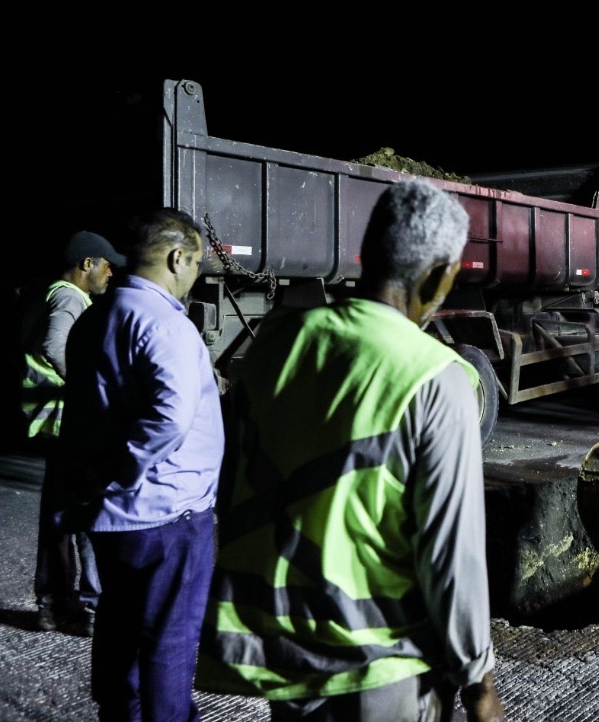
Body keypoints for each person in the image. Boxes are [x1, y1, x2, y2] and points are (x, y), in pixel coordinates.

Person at [197, 180, 505, 722]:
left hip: (283, 655)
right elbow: (452, 556)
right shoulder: (437, 378)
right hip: (378, 665)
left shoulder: (277, 343)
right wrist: (478, 683)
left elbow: (231, 478)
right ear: (437, 275)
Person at [57, 208, 224, 721]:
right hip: (168, 515)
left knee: (119, 625)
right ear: (178, 258)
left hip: (117, 518)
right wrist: (128, 471)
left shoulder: (93, 317)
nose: (196, 273)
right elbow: (169, 417)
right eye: (196, 262)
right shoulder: (164, 324)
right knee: (168, 645)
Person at [20, 230, 125, 635]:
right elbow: (54, 344)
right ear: (86, 264)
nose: (109, 273)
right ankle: (91, 606)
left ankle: (52, 606)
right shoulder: (69, 297)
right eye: (105, 265)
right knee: (90, 513)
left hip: (51, 422)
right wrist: (90, 389)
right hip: (67, 420)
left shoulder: (49, 293)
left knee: (60, 517)